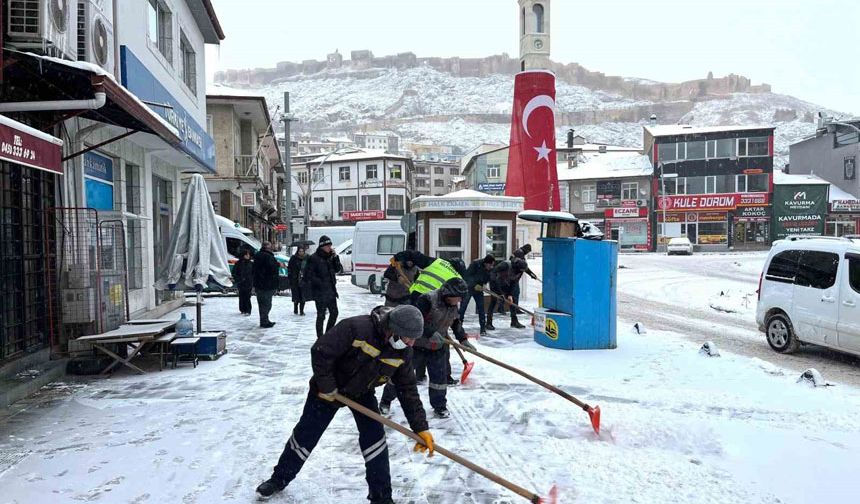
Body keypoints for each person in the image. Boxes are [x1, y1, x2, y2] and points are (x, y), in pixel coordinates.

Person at [256, 305, 434, 503]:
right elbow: (321, 351)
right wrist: (327, 386)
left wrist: (421, 428)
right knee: (306, 435)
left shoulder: (403, 353)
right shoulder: (357, 328)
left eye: (414, 338)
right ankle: (278, 479)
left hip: (361, 391)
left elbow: (408, 389)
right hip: (327, 390)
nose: (411, 343)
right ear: (393, 329)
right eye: (408, 337)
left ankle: (382, 498)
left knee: (375, 441)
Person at [379, 278, 473, 419]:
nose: (459, 300)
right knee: (401, 375)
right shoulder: (427, 300)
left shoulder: (453, 305)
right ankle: (386, 401)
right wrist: (429, 333)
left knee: (439, 380)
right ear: (449, 293)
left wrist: (463, 339)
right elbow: (415, 321)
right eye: (458, 297)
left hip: (438, 347)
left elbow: (455, 322)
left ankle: (439, 406)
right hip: (417, 346)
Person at [305, 235, 344, 338]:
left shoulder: (330, 257)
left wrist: (336, 257)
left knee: (334, 313)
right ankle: (320, 337)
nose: (330, 248)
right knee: (321, 315)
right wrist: (321, 283)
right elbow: (309, 276)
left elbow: (337, 269)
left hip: (331, 290)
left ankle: (328, 334)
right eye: (328, 246)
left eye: (330, 245)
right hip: (320, 292)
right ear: (322, 246)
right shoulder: (314, 258)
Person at [459, 254, 496, 336]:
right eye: (490, 265)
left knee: (481, 308)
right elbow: (467, 277)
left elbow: (489, 279)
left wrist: (483, 285)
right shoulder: (475, 264)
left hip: (478, 290)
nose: (491, 267)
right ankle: (458, 327)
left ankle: (483, 328)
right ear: (486, 263)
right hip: (468, 288)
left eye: (493, 265)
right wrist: (473, 284)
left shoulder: (490, 269)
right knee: (463, 308)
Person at [487, 258, 529, 330]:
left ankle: (514, 321)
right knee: (493, 302)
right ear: (517, 267)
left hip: (506, 284)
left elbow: (514, 282)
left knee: (513, 301)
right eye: (521, 270)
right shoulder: (505, 265)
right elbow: (493, 273)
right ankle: (488, 323)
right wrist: (500, 293)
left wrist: (510, 294)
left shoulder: (520, 271)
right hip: (495, 283)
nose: (522, 272)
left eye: (523, 271)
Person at [253, 241, 280, 328]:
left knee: (261, 303)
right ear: (267, 247)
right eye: (270, 246)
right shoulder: (268, 256)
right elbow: (272, 269)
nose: (272, 247)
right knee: (267, 303)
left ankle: (264, 320)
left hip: (259, 283)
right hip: (267, 284)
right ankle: (264, 321)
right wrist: (277, 265)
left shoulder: (258, 255)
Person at [233, 248, 254, 316]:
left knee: (247, 296)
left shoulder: (251, 263)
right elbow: (235, 272)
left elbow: (253, 272)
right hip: (241, 282)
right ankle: (242, 309)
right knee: (242, 296)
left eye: (248, 254)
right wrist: (238, 278)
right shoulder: (238, 263)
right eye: (247, 254)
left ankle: (248, 310)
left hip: (248, 282)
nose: (248, 256)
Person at [287, 246, 307, 316]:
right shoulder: (293, 258)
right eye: (300, 251)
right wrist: (291, 276)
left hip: (303, 280)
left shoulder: (306, 259)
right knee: (296, 296)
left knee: (303, 296)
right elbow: (289, 268)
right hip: (295, 280)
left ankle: (301, 310)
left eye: (302, 251)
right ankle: (295, 308)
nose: (301, 253)